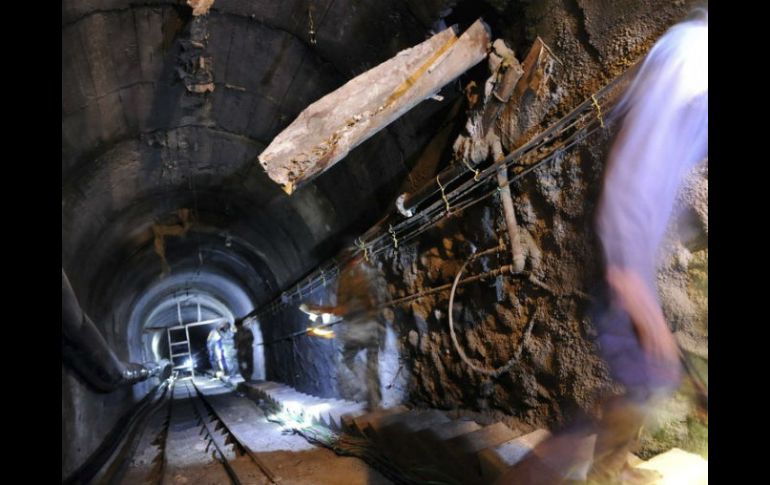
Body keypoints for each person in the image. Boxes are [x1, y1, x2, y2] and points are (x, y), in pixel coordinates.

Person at [496, 10, 707, 485]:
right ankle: (556, 476)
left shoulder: (691, 75)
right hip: (621, 258)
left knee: (647, 381)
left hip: (630, 256)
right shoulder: (690, 68)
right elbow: (630, 183)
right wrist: (632, 284)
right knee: (648, 378)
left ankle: (611, 468)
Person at [301, 254, 388, 410]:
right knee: (371, 362)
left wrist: (319, 309)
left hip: (359, 327)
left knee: (348, 359)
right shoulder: (369, 270)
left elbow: (344, 309)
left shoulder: (348, 278)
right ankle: (374, 399)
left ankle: (369, 392)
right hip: (374, 325)